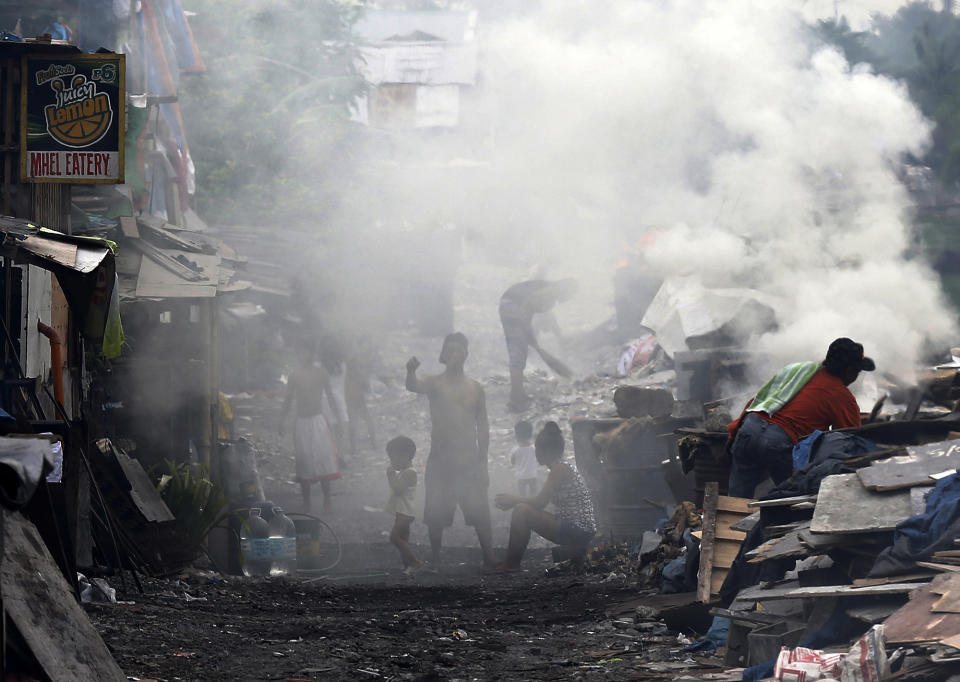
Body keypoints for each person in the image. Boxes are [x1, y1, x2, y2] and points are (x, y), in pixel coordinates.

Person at [726, 337, 875, 498]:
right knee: (794, 497)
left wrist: (734, 433)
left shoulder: (798, 370)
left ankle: (728, 521)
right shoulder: (842, 396)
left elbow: (760, 400)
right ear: (849, 371)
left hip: (749, 428)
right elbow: (850, 439)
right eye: (857, 372)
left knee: (736, 499)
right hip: (778, 441)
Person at [405, 332, 496, 568]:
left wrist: (483, 462)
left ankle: (489, 556)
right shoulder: (435, 382)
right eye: (451, 349)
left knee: (480, 512)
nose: (455, 354)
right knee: (436, 512)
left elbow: (483, 425)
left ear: (466, 355)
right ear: (443, 355)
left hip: (469, 460)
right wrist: (410, 371)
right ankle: (435, 557)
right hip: (441, 459)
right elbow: (412, 386)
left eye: (460, 349)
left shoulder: (475, 388)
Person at [492, 421, 597, 571]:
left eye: (537, 449)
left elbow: (540, 502)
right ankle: (511, 563)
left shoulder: (559, 470)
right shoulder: (562, 467)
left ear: (545, 451)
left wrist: (514, 500)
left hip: (577, 529)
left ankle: (511, 564)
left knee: (521, 511)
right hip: (579, 529)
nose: (535, 453)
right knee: (523, 509)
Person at [279, 347, 343, 512]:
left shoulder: (321, 373)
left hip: (317, 420)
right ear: (298, 354)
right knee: (303, 459)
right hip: (302, 421)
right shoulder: (294, 375)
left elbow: (330, 395)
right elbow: (288, 398)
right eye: (301, 351)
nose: (304, 354)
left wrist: (339, 418)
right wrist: (282, 420)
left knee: (323, 458)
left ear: (312, 354)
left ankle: (327, 500)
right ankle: (306, 502)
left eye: (307, 351)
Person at [498, 279, 578, 411]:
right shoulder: (552, 290)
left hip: (511, 306)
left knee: (520, 351)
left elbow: (531, 310)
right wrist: (527, 330)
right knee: (517, 352)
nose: (570, 298)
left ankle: (519, 394)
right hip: (512, 306)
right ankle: (516, 398)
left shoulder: (551, 292)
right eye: (572, 294)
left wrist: (529, 335)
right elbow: (528, 303)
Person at [384, 435, 422, 574]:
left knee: (394, 538)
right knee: (403, 539)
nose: (391, 461)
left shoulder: (410, 473)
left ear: (405, 456)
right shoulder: (405, 472)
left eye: (393, 458)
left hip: (405, 513)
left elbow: (398, 489)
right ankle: (407, 566)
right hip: (403, 512)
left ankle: (414, 561)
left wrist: (390, 476)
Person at [510, 420, 539, 497]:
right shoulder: (534, 448)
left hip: (521, 476)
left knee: (522, 495)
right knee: (533, 493)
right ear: (531, 435)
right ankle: (533, 506)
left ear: (516, 436)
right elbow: (538, 458)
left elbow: (512, 462)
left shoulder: (515, 450)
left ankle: (523, 504)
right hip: (533, 475)